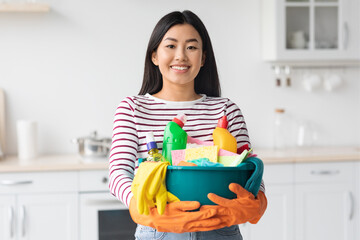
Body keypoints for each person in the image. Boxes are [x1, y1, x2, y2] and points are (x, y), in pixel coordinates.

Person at [109, 10, 267, 240]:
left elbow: (249, 168)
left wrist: (258, 198)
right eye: (171, 46)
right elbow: (118, 173)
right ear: (154, 56)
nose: (181, 56)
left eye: (191, 47)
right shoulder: (133, 108)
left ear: (203, 58)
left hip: (220, 228)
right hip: (159, 227)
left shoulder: (226, 110)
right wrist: (140, 208)